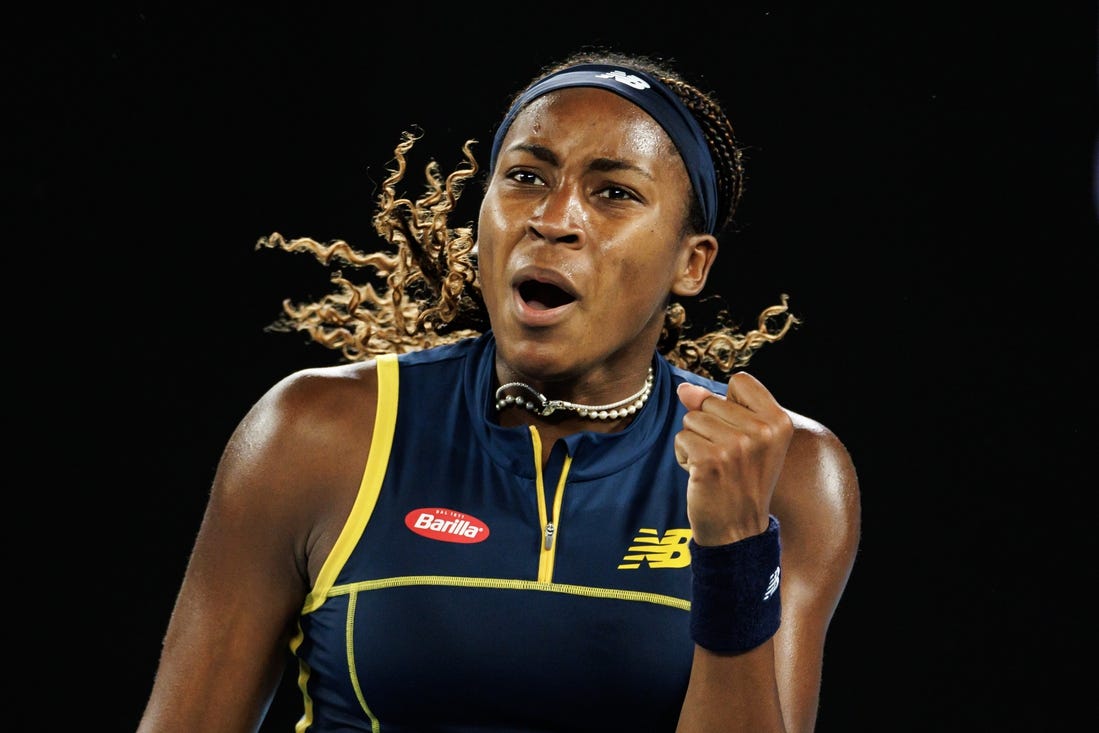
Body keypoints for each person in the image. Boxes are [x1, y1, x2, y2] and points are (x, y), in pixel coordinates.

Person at [136, 48, 861, 733]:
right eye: (525, 177)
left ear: (691, 262)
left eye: (613, 192)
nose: (552, 219)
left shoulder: (788, 472)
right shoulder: (313, 434)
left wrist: (733, 549)